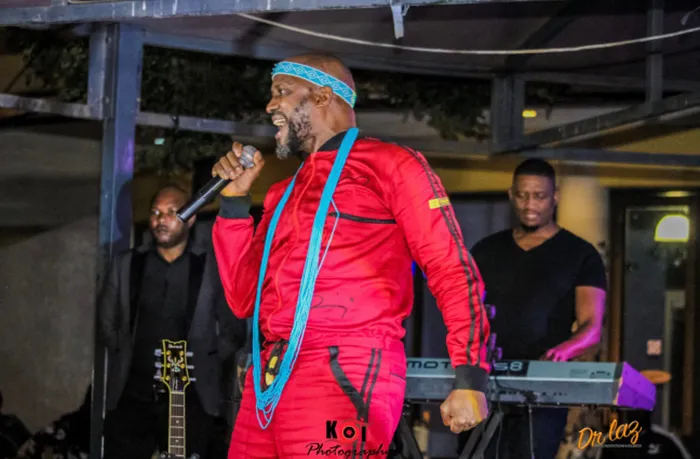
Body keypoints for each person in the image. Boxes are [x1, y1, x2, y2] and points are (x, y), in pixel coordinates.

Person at [210, 53, 491, 458]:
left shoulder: (392, 165)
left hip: (346, 367)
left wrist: (469, 375)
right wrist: (235, 205)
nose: (270, 105)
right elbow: (242, 298)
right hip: (270, 373)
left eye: (282, 92)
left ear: (323, 96)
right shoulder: (282, 193)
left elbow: (450, 267)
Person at [463, 158, 607, 459]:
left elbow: (592, 327)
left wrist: (563, 351)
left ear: (555, 197)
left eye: (540, 196)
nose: (530, 204)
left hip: (542, 388)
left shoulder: (581, 254)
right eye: (522, 195)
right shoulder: (486, 250)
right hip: (483, 379)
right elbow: (465, 312)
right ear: (511, 195)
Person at [97, 185, 248, 459]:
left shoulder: (211, 267)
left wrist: (206, 360)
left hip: (193, 398)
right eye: (155, 212)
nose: (161, 219)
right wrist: (128, 353)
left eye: (171, 212)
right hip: (133, 394)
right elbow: (108, 324)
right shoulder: (126, 264)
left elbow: (233, 330)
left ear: (190, 218)